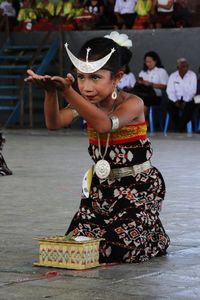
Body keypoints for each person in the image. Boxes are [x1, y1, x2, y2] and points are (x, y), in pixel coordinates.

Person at [25, 31, 170, 263]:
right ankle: (146, 230)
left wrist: (68, 91)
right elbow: (54, 123)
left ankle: (151, 236)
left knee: (119, 249)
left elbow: (104, 125)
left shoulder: (133, 103)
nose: (86, 86)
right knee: (78, 244)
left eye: (95, 78)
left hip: (139, 187)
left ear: (117, 77)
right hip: (101, 189)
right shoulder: (85, 104)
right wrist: (51, 93)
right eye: (80, 78)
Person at [166, 57, 197, 132]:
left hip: (189, 99)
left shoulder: (192, 75)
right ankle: (179, 126)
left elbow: (192, 91)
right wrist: (175, 101)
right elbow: (170, 91)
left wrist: (185, 101)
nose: (185, 68)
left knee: (190, 107)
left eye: (186, 66)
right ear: (178, 67)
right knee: (169, 106)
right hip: (176, 99)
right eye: (183, 66)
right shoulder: (173, 76)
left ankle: (179, 127)